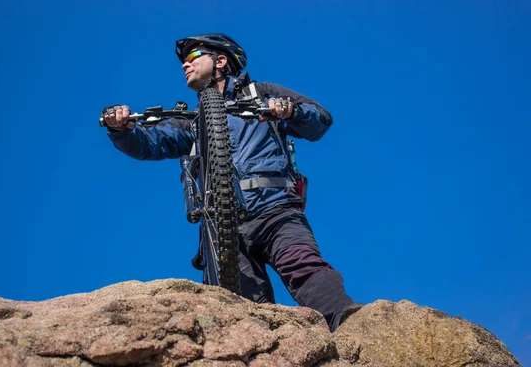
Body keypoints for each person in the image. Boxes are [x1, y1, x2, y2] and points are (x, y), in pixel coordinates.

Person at [101, 33, 362, 332]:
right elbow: (149, 143)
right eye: (184, 61)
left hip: (275, 208)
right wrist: (121, 130)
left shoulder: (260, 93)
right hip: (223, 229)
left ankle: (355, 327)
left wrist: (289, 110)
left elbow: (320, 120)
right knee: (247, 313)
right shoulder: (193, 121)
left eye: (194, 56)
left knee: (304, 267)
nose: (185, 64)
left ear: (221, 61)